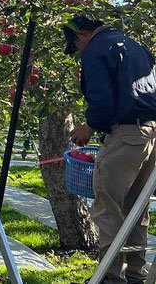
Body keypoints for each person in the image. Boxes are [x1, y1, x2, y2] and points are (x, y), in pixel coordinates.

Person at [65, 16, 156, 284]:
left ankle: (110, 277)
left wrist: (90, 126)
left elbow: (102, 101)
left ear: (82, 34)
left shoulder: (96, 49)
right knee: (136, 207)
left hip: (126, 134)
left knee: (108, 206)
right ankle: (135, 274)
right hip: (151, 132)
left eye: (76, 45)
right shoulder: (134, 46)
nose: (80, 51)